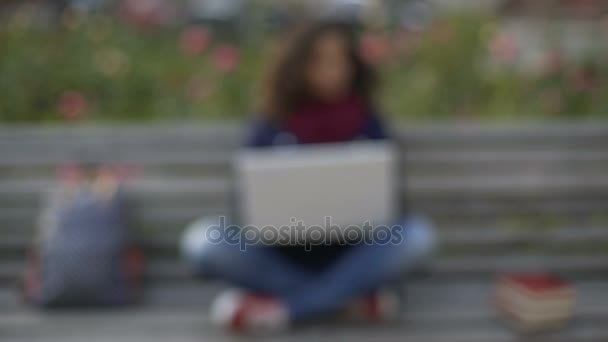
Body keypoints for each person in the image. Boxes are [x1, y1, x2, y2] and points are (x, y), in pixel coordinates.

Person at [181, 21, 436, 333]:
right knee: (205, 240)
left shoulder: (369, 123)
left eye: (341, 60)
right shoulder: (270, 123)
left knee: (416, 237)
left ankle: (285, 308)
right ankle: (346, 300)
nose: (334, 70)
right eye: (321, 60)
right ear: (299, 65)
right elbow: (244, 208)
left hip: (353, 255)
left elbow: (392, 205)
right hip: (280, 257)